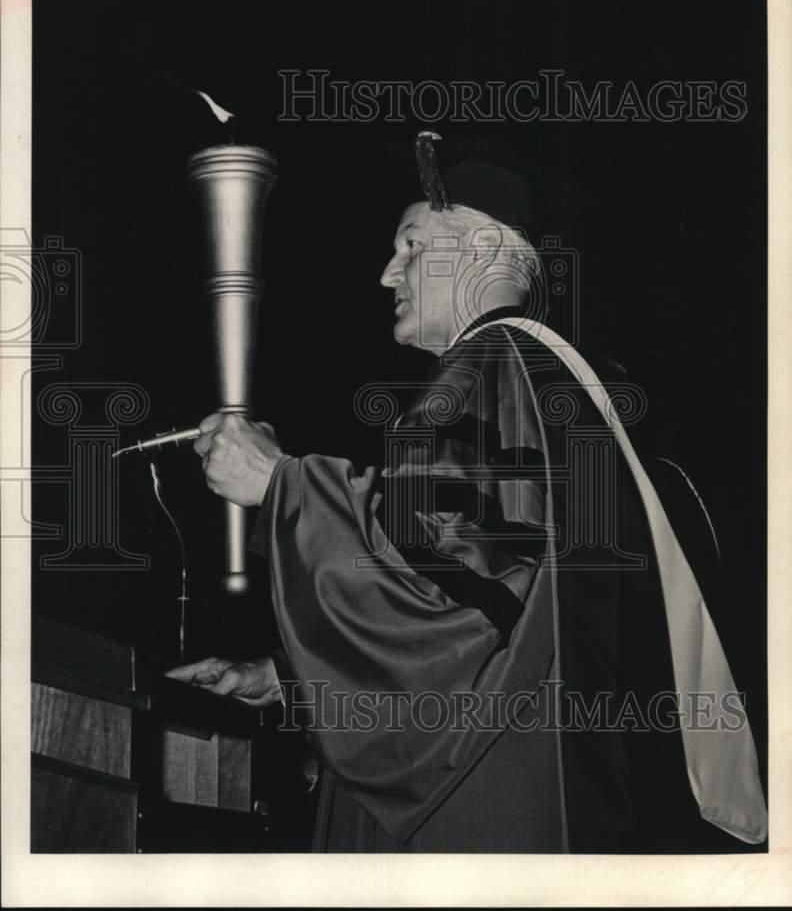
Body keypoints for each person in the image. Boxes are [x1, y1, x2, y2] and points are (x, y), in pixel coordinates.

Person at [167, 142, 767, 853]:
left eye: (411, 246)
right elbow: (498, 607)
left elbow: (452, 590)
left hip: (478, 800)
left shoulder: (493, 366)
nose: (387, 271)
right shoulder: (572, 389)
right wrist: (290, 675)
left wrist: (280, 483)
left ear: (482, 245)